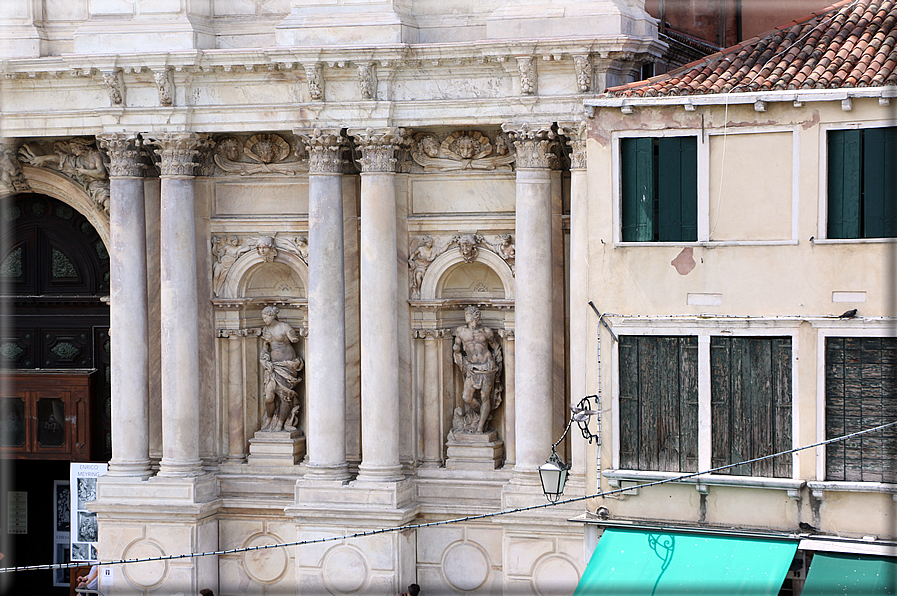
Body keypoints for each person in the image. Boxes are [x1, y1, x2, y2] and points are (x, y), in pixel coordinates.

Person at [452, 306, 503, 433]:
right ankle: (483, 416)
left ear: (475, 316)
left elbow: (495, 347)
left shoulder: (486, 331)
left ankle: (480, 427)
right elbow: (457, 346)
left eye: (468, 314)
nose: (466, 316)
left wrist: (499, 365)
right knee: (466, 397)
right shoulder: (461, 331)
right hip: (471, 367)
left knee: (485, 397)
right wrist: (456, 349)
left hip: (487, 367)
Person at [259, 306, 304, 432]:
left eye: (266, 317)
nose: (264, 320)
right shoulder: (266, 329)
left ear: (272, 316)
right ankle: (268, 418)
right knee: (269, 396)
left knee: (285, 396)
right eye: (263, 318)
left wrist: (293, 336)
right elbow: (265, 349)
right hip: (273, 366)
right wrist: (264, 360)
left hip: (287, 366)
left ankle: (280, 422)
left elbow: (295, 340)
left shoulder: (285, 327)